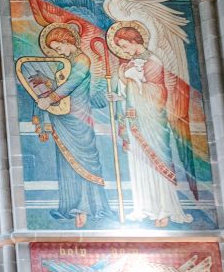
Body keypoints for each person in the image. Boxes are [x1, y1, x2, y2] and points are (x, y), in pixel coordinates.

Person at [28, 25, 112, 228]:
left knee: (85, 159)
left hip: (78, 116)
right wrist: (46, 81)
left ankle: (88, 206)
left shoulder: (82, 60)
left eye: (59, 48)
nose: (58, 52)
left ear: (68, 41)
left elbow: (72, 83)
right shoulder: (66, 62)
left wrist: (50, 99)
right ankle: (71, 204)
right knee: (67, 161)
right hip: (63, 116)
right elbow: (62, 82)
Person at [110, 24, 192, 226]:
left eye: (124, 45)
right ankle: (144, 206)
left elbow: (157, 93)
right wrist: (120, 95)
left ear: (134, 41)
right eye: (119, 47)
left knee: (158, 162)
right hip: (135, 119)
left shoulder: (153, 60)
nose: (123, 50)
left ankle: (165, 209)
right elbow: (132, 91)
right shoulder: (130, 64)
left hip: (152, 121)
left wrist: (130, 81)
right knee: (138, 163)